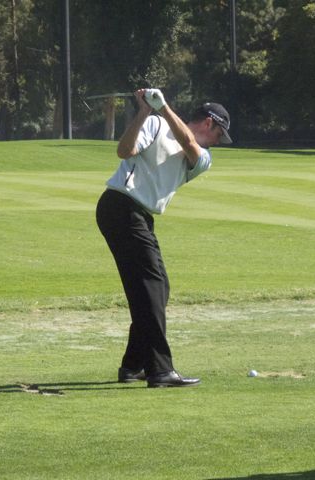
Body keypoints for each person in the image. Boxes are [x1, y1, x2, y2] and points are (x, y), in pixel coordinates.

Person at [96, 88, 232, 388]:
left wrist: (163, 107)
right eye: (218, 135)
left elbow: (188, 143)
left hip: (138, 215)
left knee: (157, 289)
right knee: (152, 287)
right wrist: (145, 111)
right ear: (208, 123)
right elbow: (124, 151)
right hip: (120, 207)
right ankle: (159, 370)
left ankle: (133, 365)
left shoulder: (203, 157)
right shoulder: (155, 124)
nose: (217, 142)